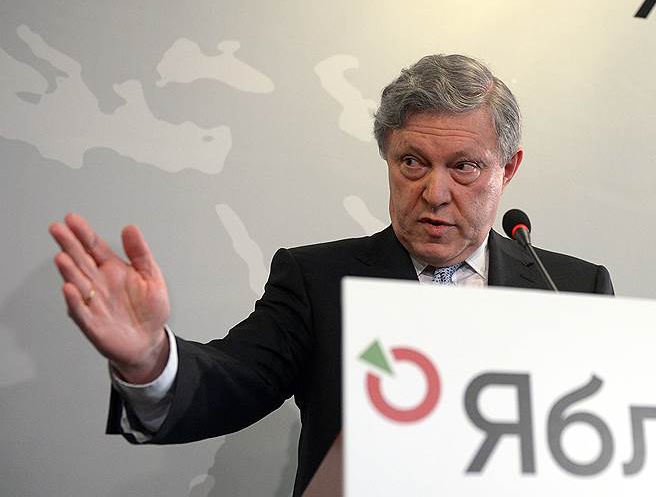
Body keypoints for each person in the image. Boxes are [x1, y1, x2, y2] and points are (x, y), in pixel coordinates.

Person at [49, 54, 614, 496]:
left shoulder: (573, 289)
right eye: (412, 162)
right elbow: (233, 380)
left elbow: (606, 448)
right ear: (388, 158)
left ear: (508, 169)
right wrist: (149, 358)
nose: (435, 193)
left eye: (463, 167)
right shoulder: (318, 280)